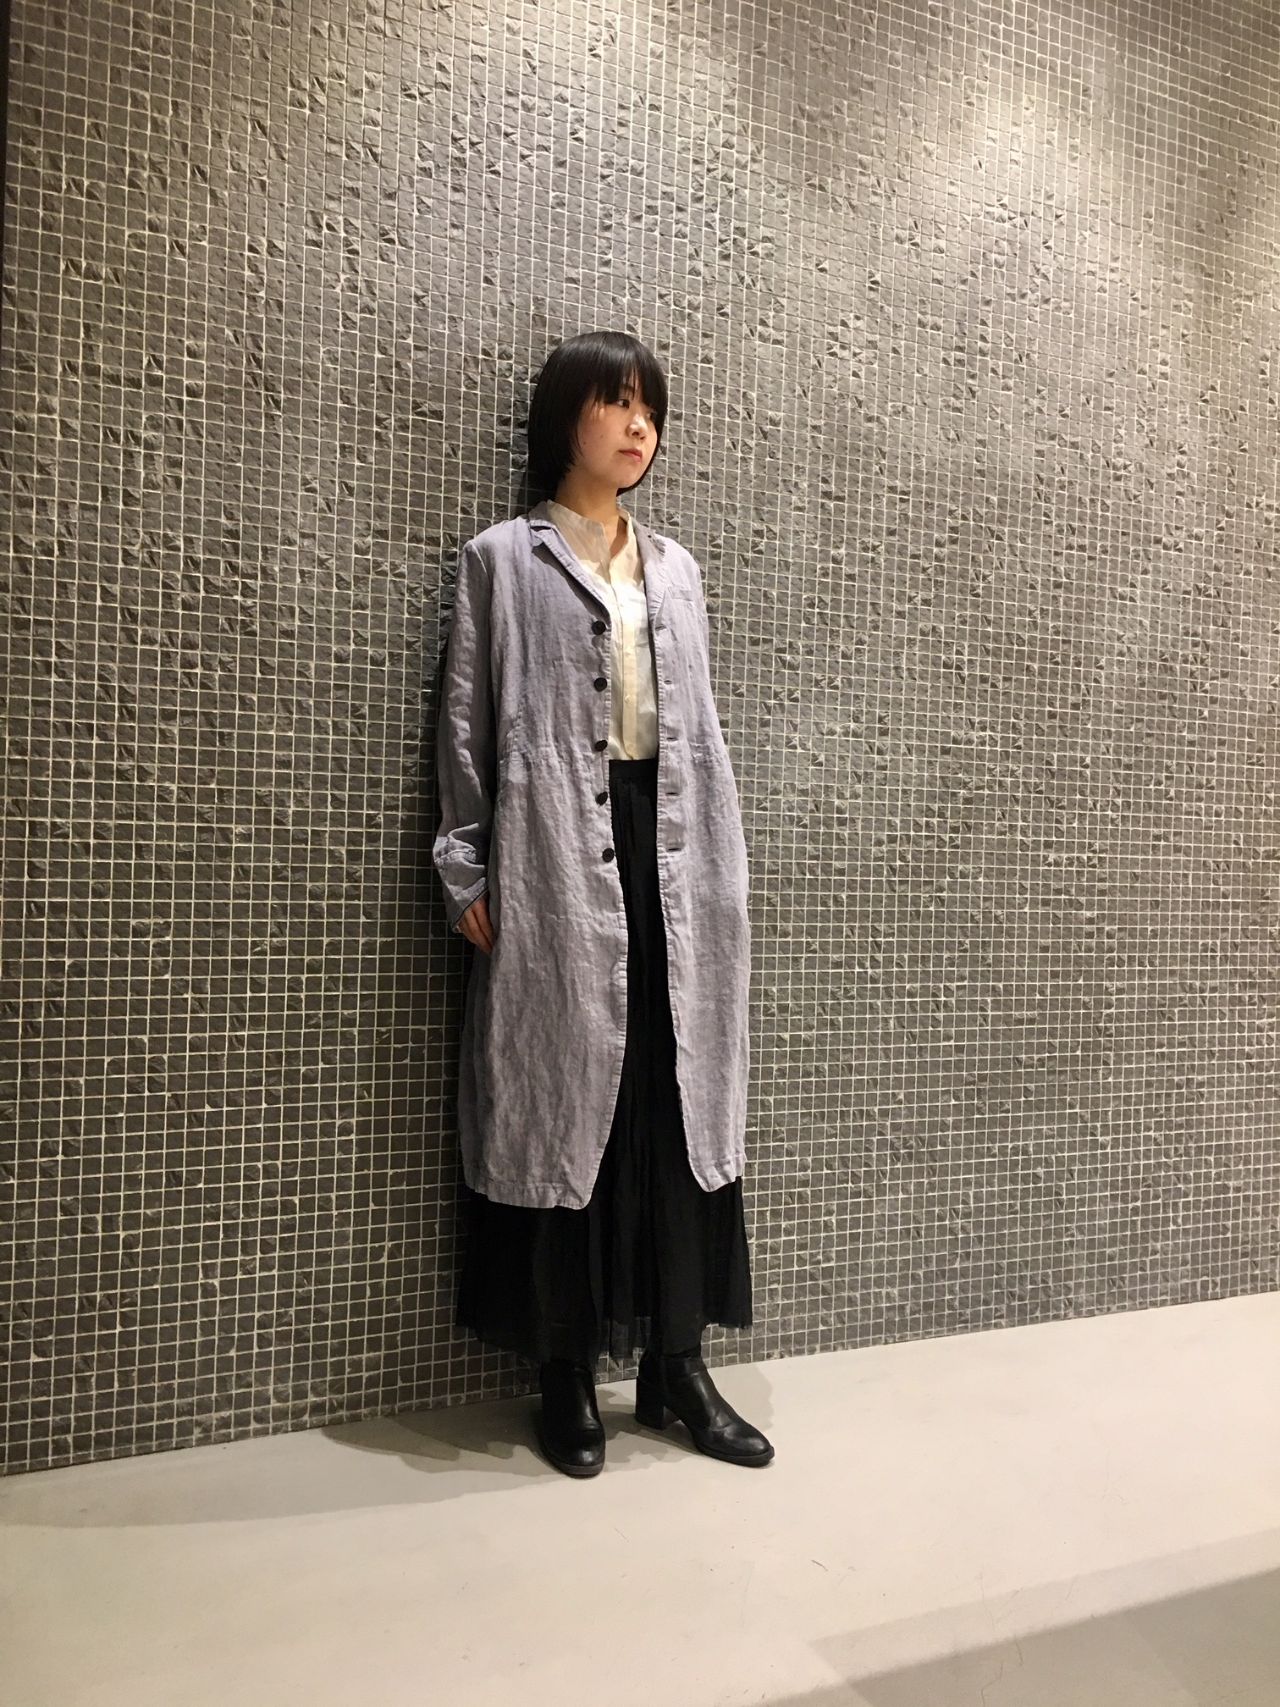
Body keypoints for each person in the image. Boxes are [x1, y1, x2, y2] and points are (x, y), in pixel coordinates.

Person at [433, 330, 774, 1477]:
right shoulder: (502, 558)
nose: (638, 428)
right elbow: (467, 723)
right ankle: (565, 1370)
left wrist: (718, 872)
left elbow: (700, 732)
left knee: (676, 1093)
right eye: (616, 404)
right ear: (563, 417)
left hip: (673, 847)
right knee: (569, 1091)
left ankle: (678, 1365)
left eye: (649, 410)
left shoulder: (675, 569)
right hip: (551, 850)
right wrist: (465, 870)